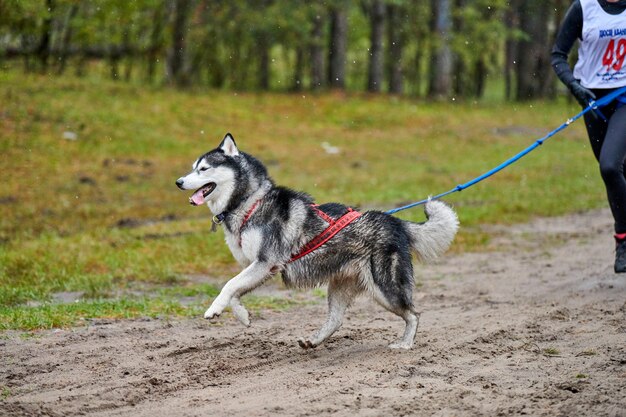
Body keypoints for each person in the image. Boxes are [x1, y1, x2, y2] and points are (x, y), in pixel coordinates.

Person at [552, 0, 626, 272]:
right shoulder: (583, 8)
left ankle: (623, 241)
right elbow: (558, 55)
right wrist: (574, 87)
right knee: (617, 173)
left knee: (610, 166)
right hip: (593, 100)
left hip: (624, 98)